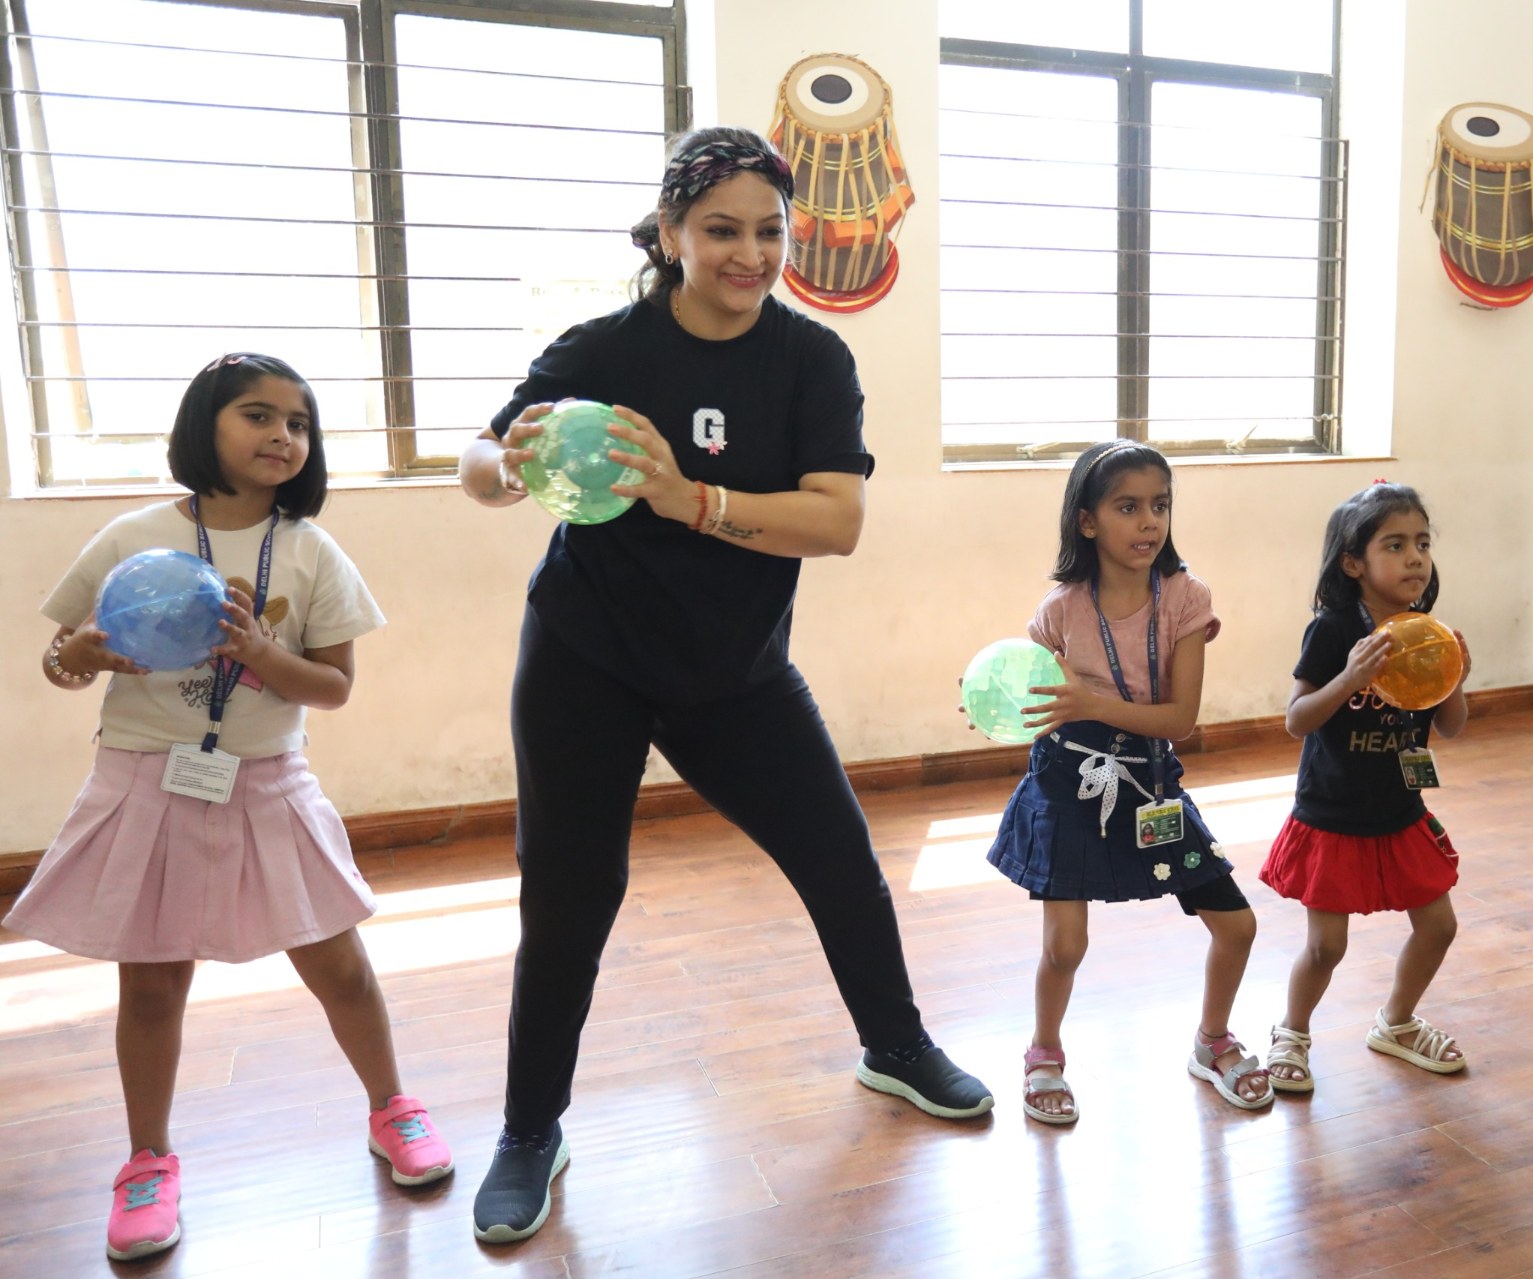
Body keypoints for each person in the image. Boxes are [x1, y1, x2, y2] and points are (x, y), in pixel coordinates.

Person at [459, 126, 990, 1244]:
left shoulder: (810, 361)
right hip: (587, 655)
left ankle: (896, 1046)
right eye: (720, 231)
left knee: (841, 861)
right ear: (670, 234)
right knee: (569, 895)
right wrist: (504, 466)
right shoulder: (603, 348)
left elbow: (836, 521)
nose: (750, 255)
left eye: (768, 232)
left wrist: (686, 497)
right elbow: (481, 458)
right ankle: (528, 1130)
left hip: (735, 668)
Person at [4, 353, 450, 1262]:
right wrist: (81, 653)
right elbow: (60, 661)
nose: (282, 434)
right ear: (203, 424)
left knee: (342, 968)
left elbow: (333, 687)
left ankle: (392, 1107)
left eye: (299, 422)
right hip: (143, 779)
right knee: (152, 985)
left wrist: (258, 652)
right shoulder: (132, 536)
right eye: (258, 414)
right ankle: (148, 1160)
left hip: (267, 779)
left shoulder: (310, 548)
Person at [981, 441, 1271, 1123]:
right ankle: (1044, 1054)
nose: (1149, 522)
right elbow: (1031, 696)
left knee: (1238, 926)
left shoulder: (1187, 599)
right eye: (1128, 507)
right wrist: (993, 706)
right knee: (1065, 947)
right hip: (1066, 785)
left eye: (1160, 506)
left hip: (1150, 785)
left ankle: (1212, 1041)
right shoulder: (1058, 610)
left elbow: (1179, 720)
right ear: (1087, 522)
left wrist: (1092, 703)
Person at [1257, 482, 1472, 1092]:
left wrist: (1457, 676)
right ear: (1353, 563)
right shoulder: (1332, 631)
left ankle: (1396, 1023)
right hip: (1333, 814)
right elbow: (1297, 720)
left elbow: (1452, 727)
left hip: (1401, 810)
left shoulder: (1427, 633)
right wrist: (1350, 677)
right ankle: (1292, 1032)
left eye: (1422, 544)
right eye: (1395, 545)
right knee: (1326, 947)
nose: (1415, 558)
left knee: (1440, 926)